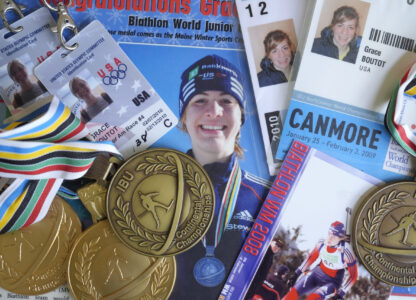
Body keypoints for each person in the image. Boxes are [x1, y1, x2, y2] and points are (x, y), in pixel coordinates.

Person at [170, 54, 271, 299]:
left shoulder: (268, 197)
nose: (214, 111)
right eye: (200, 100)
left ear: (241, 117)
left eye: (226, 100)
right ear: (184, 116)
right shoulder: (155, 184)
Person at [283, 221, 358, 300]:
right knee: (293, 293)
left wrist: (341, 293)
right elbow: (311, 258)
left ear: (340, 238)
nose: (330, 238)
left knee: (313, 298)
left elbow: (353, 275)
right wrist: (296, 273)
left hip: (332, 282)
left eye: (334, 236)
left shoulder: (345, 250)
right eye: (329, 234)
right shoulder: (322, 242)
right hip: (316, 273)